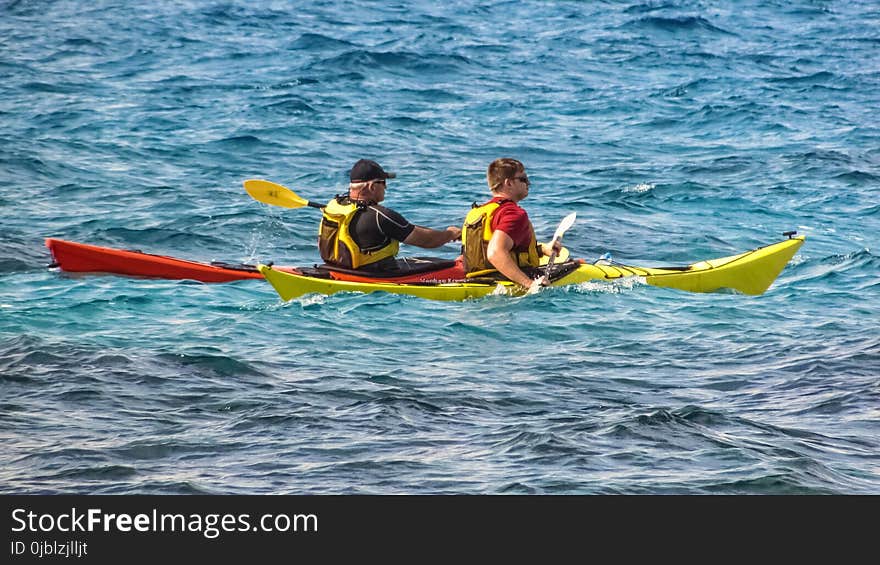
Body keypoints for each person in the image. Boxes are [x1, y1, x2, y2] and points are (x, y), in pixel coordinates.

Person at [318, 159, 461, 271]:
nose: (385, 187)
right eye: (383, 183)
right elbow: (427, 241)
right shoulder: (380, 216)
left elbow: (405, 229)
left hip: (341, 269)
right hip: (375, 274)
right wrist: (450, 234)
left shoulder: (335, 205)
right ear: (372, 187)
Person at [461, 158, 560, 292]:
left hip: (474, 280)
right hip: (503, 283)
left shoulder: (477, 212)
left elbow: (487, 251)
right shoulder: (514, 214)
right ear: (508, 183)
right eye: (523, 179)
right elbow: (495, 253)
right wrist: (530, 284)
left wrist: (542, 249)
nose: (528, 183)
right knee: (577, 266)